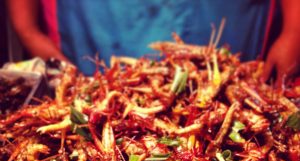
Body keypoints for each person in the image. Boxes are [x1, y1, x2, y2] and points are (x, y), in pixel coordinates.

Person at [6, 0, 300, 85]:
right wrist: (27, 28)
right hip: (94, 32)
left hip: (231, 30)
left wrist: (294, 30)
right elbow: (25, 24)